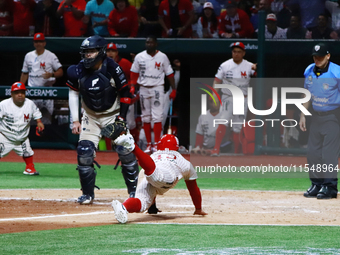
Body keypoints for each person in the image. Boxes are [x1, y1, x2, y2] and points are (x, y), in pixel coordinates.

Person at [66, 35, 139, 204]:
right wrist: (75, 120)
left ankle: (135, 192)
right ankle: (87, 194)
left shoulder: (113, 68)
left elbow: (126, 95)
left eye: (91, 52)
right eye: (86, 52)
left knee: (125, 150)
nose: (88, 56)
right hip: (90, 117)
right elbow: (73, 93)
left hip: (112, 115)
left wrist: (121, 118)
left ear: (101, 52)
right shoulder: (76, 70)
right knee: (84, 152)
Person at [110, 133, 208, 224]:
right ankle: (133, 147)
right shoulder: (184, 162)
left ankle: (123, 207)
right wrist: (198, 209)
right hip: (166, 173)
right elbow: (193, 189)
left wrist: (152, 207)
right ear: (177, 147)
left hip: (146, 173)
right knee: (156, 176)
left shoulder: (154, 155)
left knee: (142, 202)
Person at [300, 43, 340, 200]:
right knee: (313, 153)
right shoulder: (309, 70)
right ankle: (317, 184)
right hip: (316, 116)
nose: (317, 59)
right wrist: (303, 114)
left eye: (321, 57)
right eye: (315, 56)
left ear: (328, 56)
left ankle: (330, 187)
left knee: (328, 154)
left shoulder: (336, 72)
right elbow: (307, 94)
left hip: (333, 116)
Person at [130, 36, 176, 154]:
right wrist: (132, 86)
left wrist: (174, 89)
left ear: (156, 44)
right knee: (145, 117)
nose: (149, 44)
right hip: (144, 88)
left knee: (157, 117)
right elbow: (134, 72)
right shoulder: (140, 56)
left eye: (151, 42)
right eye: (147, 42)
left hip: (157, 87)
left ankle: (156, 144)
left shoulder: (162, 57)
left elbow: (170, 74)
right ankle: (149, 145)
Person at [212, 42, 257, 156]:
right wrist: (214, 96)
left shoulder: (249, 65)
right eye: (234, 52)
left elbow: (256, 75)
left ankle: (237, 153)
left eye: (239, 52)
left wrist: (256, 69)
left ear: (243, 53)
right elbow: (217, 80)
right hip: (228, 97)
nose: (236, 54)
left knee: (238, 126)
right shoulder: (225, 65)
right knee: (223, 120)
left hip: (242, 98)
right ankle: (216, 149)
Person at [0, 82, 44, 175]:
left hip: (22, 137)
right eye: (17, 92)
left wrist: (39, 122)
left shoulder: (30, 103)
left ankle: (29, 168)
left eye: (22, 92)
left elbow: (36, 114)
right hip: (5, 136)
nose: (20, 95)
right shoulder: (3, 105)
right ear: (12, 94)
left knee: (28, 152)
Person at [20, 33, 63, 125]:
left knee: (46, 120)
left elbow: (60, 72)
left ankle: (46, 137)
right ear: (33, 43)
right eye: (36, 42)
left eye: (40, 41)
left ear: (44, 43)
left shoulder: (51, 55)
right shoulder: (28, 55)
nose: (38, 44)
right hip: (32, 91)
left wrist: (52, 74)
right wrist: (20, 88)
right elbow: (24, 73)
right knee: (30, 119)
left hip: (46, 92)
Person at [106, 42, 140, 142]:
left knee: (130, 123)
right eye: (108, 51)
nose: (110, 53)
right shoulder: (103, 64)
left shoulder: (125, 63)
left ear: (117, 52)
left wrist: (131, 87)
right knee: (109, 123)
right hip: (111, 97)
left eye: (113, 51)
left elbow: (134, 75)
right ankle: (109, 151)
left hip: (125, 96)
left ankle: (134, 146)